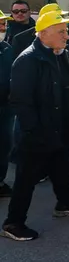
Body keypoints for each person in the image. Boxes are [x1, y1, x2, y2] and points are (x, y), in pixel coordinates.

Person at [2, 11, 69, 241]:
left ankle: (66, 202)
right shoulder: (28, 60)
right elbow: (21, 101)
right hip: (38, 132)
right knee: (26, 179)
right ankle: (13, 223)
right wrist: (34, 131)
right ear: (44, 34)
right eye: (61, 31)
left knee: (61, 167)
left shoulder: (59, 53)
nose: (67, 36)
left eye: (66, 31)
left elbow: (67, 87)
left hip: (59, 127)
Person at [0, 12, 13, 199]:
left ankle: (0, 181)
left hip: (6, 107)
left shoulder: (7, 48)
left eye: (4, 25)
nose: (3, 29)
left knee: (4, 145)